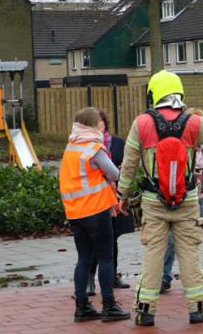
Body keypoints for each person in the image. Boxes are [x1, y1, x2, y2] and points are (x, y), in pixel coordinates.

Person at [117, 70, 203, 326]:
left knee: (153, 257)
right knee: (189, 256)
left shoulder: (142, 123)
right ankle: (199, 310)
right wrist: (201, 129)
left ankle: (145, 311)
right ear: (179, 93)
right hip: (188, 201)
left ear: (153, 94)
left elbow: (128, 166)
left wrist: (121, 196)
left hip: (153, 202)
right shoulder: (192, 122)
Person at [59, 107, 130, 323]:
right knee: (105, 257)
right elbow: (114, 173)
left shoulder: (71, 147)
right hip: (97, 211)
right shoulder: (93, 147)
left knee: (83, 258)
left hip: (75, 212)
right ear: (92, 125)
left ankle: (82, 307)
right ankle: (109, 306)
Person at [161, 108, 203, 295]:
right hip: (181, 200)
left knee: (191, 242)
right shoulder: (181, 144)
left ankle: (192, 279)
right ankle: (164, 277)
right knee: (171, 241)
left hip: (198, 200)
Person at [87, 111, 132, 296]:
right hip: (95, 200)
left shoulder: (117, 142)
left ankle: (113, 276)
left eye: (102, 123)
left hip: (114, 198)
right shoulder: (88, 147)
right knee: (94, 242)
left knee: (113, 239)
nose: (100, 126)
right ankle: (89, 278)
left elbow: (127, 164)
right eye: (96, 124)